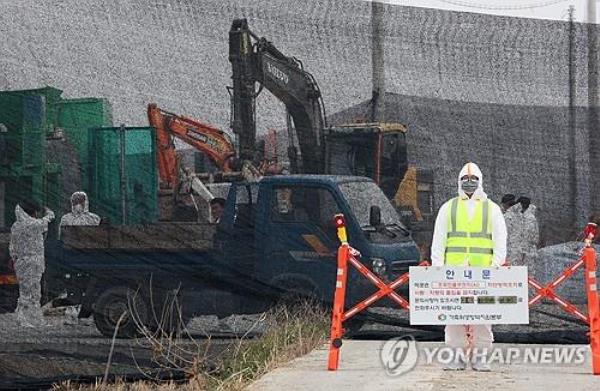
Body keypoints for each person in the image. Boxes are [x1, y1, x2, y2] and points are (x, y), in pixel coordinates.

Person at [431, 162, 507, 371]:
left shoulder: (492, 209)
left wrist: (496, 266)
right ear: (459, 181)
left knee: (483, 317)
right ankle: (455, 355)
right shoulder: (449, 207)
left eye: (474, 180)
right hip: (453, 272)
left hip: (483, 273)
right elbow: (439, 240)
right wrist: (438, 268)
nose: (469, 183)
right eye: (465, 179)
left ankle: (481, 356)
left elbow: (500, 240)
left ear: (480, 182)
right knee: (454, 316)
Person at [9, 202, 55, 327]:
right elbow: (44, 222)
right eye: (35, 212)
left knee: (33, 292)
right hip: (30, 263)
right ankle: (23, 319)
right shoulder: (30, 224)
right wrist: (49, 213)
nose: (36, 215)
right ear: (31, 213)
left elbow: (12, 247)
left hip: (26, 263)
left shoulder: (16, 226)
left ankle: (34, 320)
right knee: (28, 292)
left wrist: (15, 260)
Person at [506, 196, 539, 268]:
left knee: (512, 273)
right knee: (527, 276)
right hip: (529, 252)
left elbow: (505, 235)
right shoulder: (532, 218)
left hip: (514, 252)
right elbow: (536, 238)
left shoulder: (509, 216)